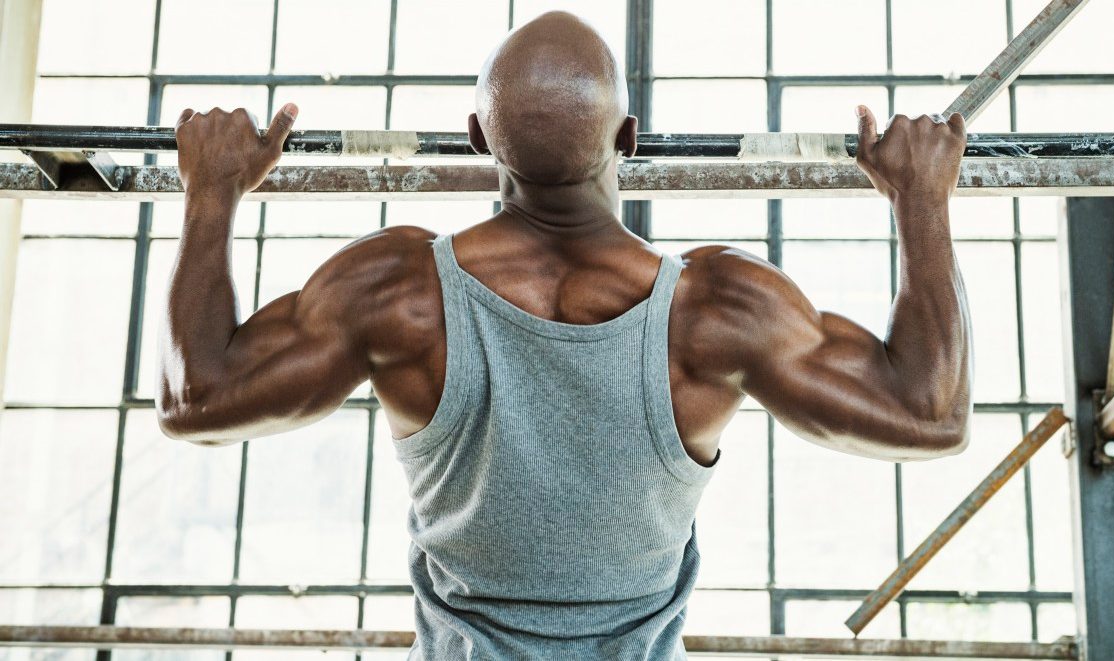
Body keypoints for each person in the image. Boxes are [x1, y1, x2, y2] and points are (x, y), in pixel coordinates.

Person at [159, 11, 972, 661]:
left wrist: (212, 193)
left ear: (478, 137)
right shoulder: (716, 309)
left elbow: (198, 398)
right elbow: (929, 413)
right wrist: (920, 200)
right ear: (628, 139)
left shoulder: (399, 290)